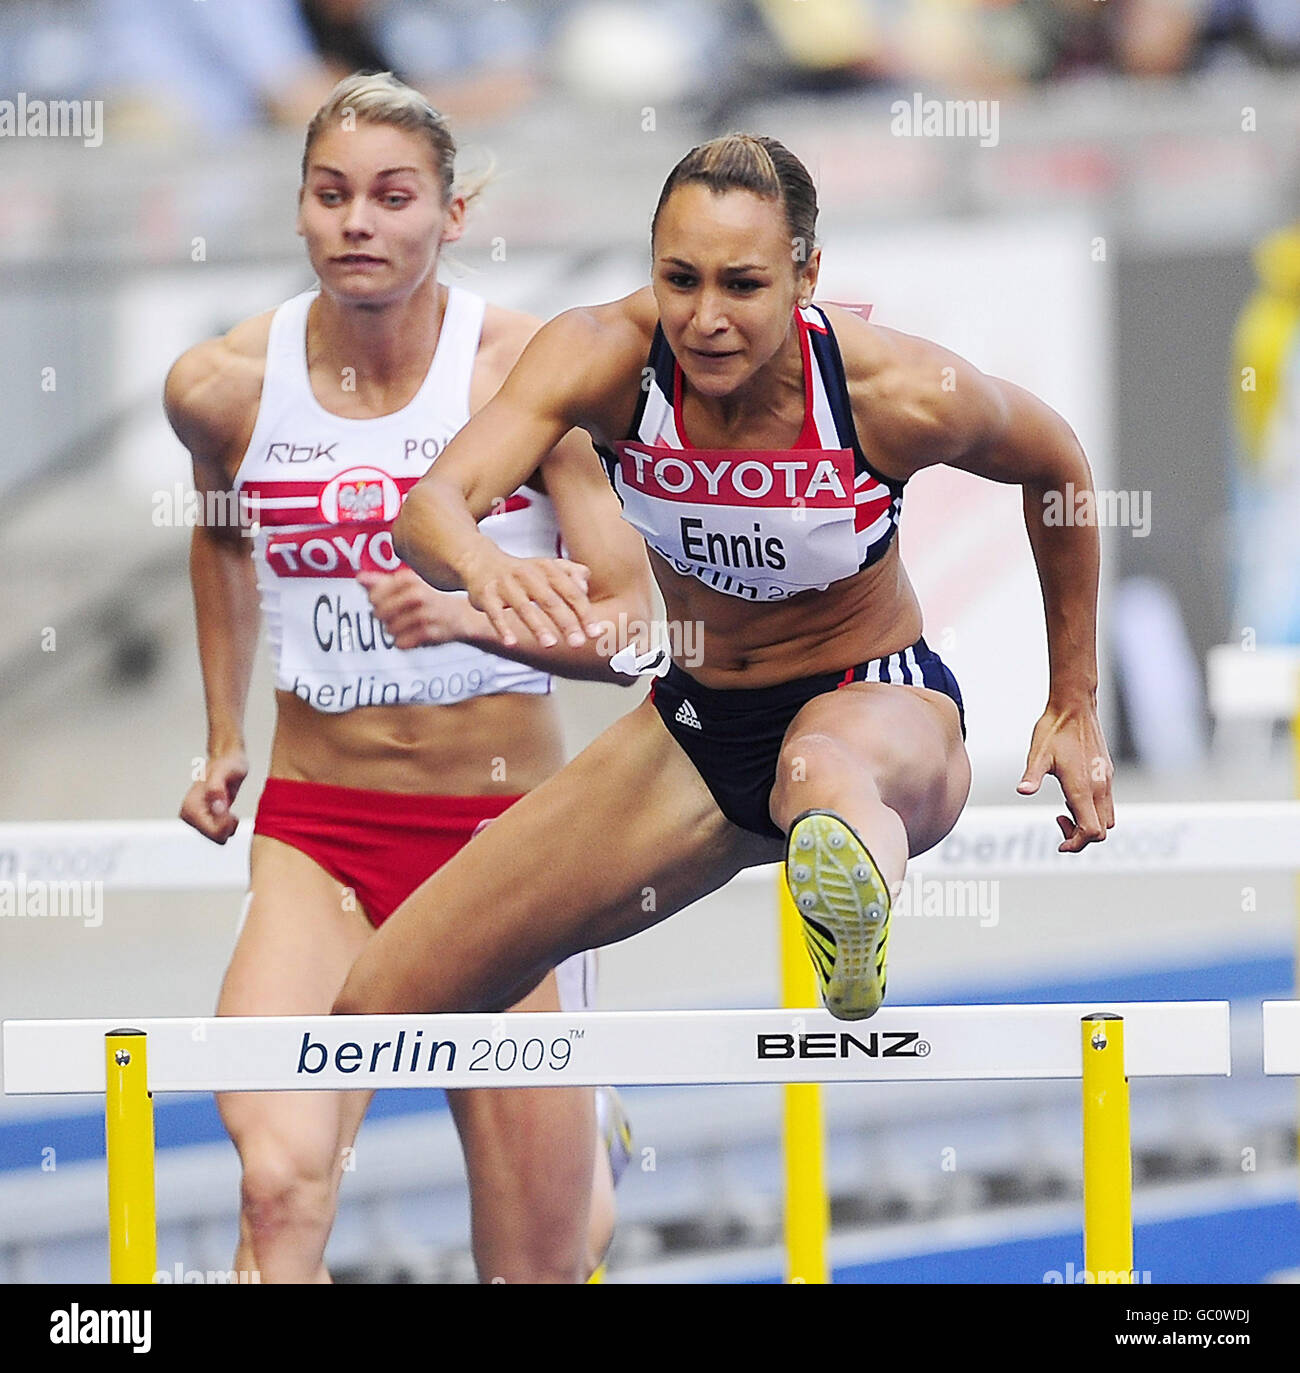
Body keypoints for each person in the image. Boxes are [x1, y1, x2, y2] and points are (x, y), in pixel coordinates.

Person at [334, 131, 1113, 1044]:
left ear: (805, 275)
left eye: (742, 285)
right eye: (680, 279)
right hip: (696, 726)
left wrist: (1073, 697)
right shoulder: (601, 356)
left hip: (873, 701)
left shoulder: (895, 391)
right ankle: (590, 1122)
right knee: (377, 1004)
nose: (705, 318)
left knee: (818, 777)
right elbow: (427, 510)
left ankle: (852, 908)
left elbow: (1054, 461)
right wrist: (482, 562)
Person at [164, 72, 651, 1284]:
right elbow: (223, 530)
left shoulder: (523, 378)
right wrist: (223, 731)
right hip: (316, 833)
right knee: (277, 1187)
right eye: (332, 195)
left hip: (505, 846)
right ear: (299, 209)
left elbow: (638, 632)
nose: (359, 223)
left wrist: (475, 615)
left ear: (452, 213)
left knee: (536, 1258)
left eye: (392, 196)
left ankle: (587, 1150)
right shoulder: (221, 385)